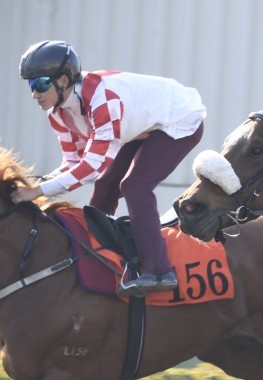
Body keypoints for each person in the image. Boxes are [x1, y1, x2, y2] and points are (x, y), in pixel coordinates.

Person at [14, 40, 207, 296]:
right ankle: (97, 253)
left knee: (135, 186)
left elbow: (91, 166)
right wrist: (36, 184)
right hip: (142, 128)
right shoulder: (57, 114)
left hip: (179, 120)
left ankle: (160, 271)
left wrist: (39, 192)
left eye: (40, 84)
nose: (34, 94)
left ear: (63, 80)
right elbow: (72, 163)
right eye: (30, 85)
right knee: (106, 184)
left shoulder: (102, 100)